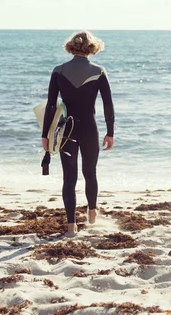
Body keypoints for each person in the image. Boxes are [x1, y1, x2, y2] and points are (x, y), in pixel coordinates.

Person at [41, 31, 115, 237]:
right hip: (90, 129)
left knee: (69, 178)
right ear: (92, 48)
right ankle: (92, 212)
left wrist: (45, 135)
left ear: (71, 47)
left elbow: (50, 106)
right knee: (90, 173)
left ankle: (71, 226)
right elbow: (108, 104)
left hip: (66, 131)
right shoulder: (99, 71)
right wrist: (110, 132)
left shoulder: (58, 71)